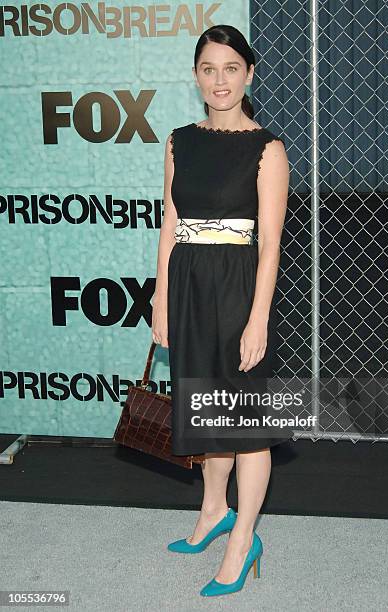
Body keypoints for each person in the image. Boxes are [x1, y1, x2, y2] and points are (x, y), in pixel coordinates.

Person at [151, 24, 292, 597]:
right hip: (187, 284)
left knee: (244, 420)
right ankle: (213, 511)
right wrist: (160, 296)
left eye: (231, 68)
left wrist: (258, 317)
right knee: (204, 406)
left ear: (250, 73)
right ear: (195, 77)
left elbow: (271, 245)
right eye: (209, 69)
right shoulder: (179, 140)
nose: (220, 80)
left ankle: (244, 539)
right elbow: (169, 223)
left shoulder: (267, 149)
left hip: (238, 289)